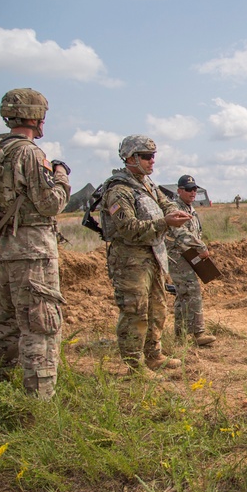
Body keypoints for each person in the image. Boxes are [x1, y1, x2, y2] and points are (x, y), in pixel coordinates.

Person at [0, 89, 70, 400]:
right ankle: (39, 406)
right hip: (34, 254)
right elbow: (50, 203)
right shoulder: (29, 153)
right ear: (36, 116)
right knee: (40, 328)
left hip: (4, 252)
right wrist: (61, 177)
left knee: (3, 328)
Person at [99, 135, 192, 373]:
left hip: (153, 257)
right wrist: (165, 223)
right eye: (146, 156)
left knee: (157, 308)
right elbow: (128, 228)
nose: (152, 161)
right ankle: (135, 365)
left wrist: (174, 214)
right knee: (135, 312)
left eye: (153, 156)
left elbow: (167, 204)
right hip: (130, 261)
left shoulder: (147, 184)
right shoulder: (118, 190)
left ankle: (153, 355)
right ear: (130, 158)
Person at [165, 174, 216, 346]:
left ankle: (181, 336)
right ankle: (198, 333)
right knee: (191, 291)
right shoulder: (175, 208)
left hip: (189, 256)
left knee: (183, 295)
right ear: (179, 191)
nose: (192, 192)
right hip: (178, 257)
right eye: (188, 189)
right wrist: (201, 247)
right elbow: (181, 234)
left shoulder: (189, 209)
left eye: (194, 189)